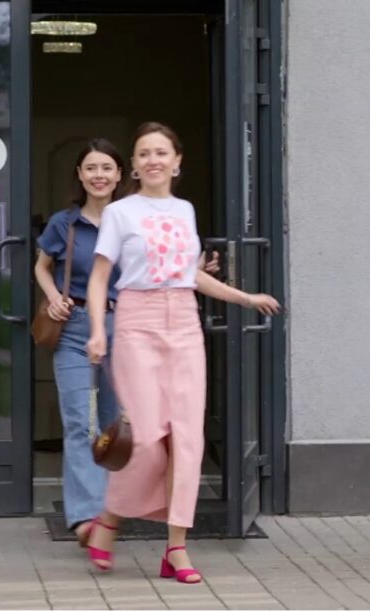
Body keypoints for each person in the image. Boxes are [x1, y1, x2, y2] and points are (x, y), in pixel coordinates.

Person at [83, 122, 281, 584]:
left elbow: (190, 274)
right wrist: (96, 331)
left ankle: (176, 548)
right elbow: (99, 277)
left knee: (186, 441)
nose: (152, 160)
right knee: (145, 439)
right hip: (137, 322)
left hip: (185, 325)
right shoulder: (120, 213)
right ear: (134, 165)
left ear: (177, 162)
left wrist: (244, 297)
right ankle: (109, 519)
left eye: (161, 153)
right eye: (144, 154)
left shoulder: (185, 210)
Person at [34, 138, 127, 546]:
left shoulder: (132, 220)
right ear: (80, 174)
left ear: (119, 174)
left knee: (113, 424)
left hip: (123, 327)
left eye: (106, 167)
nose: (99, 175)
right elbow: (42, 266)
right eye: (91, 168)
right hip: (74, 328)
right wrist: (54, 296)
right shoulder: (64, 223)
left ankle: (110, 508)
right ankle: (87, 517)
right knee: (79, 422)